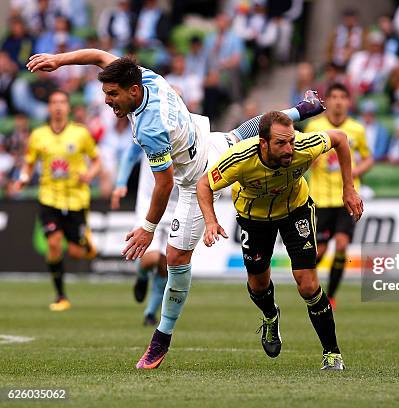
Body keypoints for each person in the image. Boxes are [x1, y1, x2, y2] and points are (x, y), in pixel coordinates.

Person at [26, 49, 325, 369]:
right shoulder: (147, 76)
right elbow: (100, 56)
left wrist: (147, 228)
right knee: (241, 132)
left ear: (133, 91)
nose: (108, 101)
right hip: (207, 140)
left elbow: (165, 185)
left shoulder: (150, 128)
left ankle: (160, 341)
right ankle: (302, 108)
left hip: (200, 180)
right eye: (105, 93)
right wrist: (60, 60)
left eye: (112, 95)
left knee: (176, 259)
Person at [111, 90, 325, 327]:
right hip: (152, 203)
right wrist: (121, 184)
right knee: (150, 261)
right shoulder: (149, 131)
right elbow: (141, 164)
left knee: (167, 261)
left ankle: (154, 318)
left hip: (186, 202)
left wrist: (301, 110)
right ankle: (144, 284)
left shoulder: (202, 135)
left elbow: (254, 127)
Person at [197, 111, 363, 370]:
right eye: (281, 144)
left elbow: (340, 139)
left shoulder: (304, 146)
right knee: (258, 285)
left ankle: (332, 353)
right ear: (263, 143)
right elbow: (204, 185)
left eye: (291, 142)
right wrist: (210, 221)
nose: (289, 149)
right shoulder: (240, 158)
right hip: (254, 219)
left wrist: (348, 188)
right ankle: (270, 316)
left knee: (308, 285)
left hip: (295, 211)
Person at [11, 90, 100, 311]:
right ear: (49, 108)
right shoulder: (38, 135)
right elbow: (29, 163)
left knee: (76, 252)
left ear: (68, 107)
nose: (58, 106)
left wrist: (89, 175)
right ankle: (61, 296)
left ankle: (85, 241)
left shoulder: (80, 134)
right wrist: (23, 178)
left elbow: (97, 161)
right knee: (53, 243)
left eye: (62, 102)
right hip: (49, 196)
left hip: (76, 198)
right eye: (54, 102)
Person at [304, 83, 373, 309]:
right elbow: (303, 155)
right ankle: (307, 283)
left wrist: (355, 171)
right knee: (321, 250)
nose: (338, 101)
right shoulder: (314, 126)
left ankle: (331, 295)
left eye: (343, 97)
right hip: (320, 198)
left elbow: (368, 158)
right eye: (333, 96)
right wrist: (310, 160)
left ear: (348, 101)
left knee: (342, 244)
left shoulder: (356, 129)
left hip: (347, 197)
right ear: (327, 101)